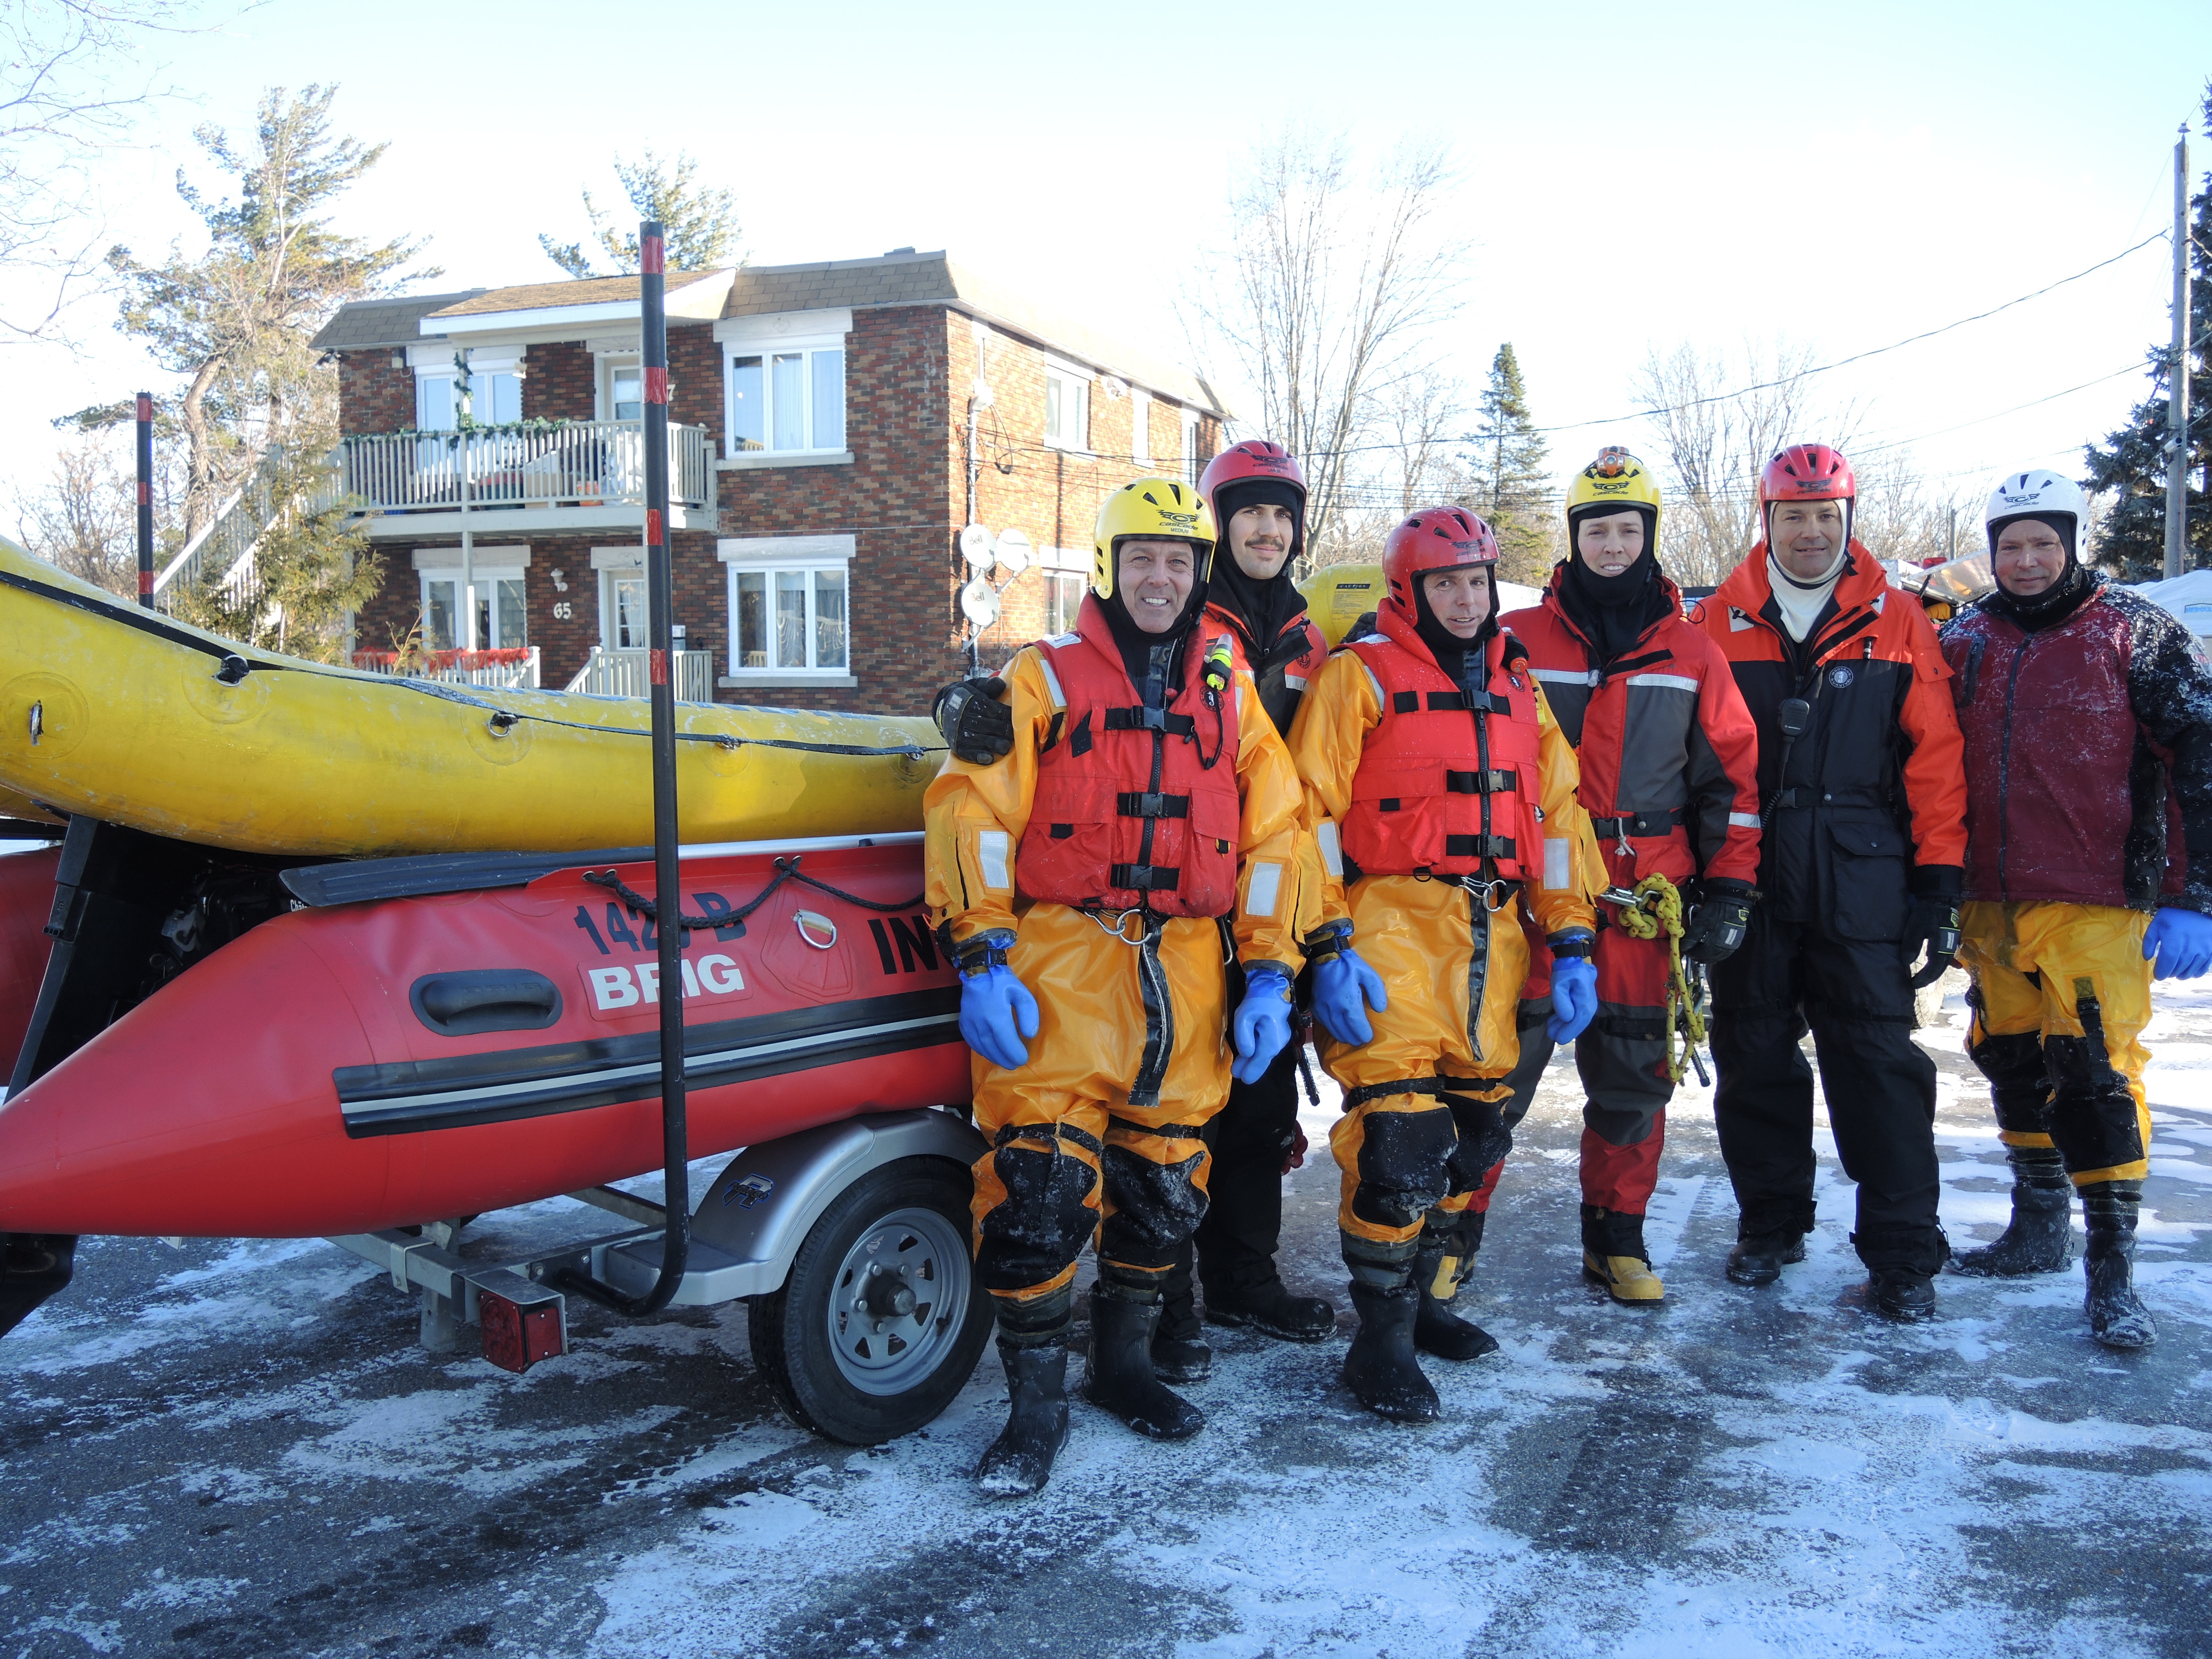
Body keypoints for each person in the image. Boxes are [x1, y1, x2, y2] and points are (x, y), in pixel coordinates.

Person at [924, 478, 1308, 1498]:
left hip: (1184, 969)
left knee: (1166, 1192)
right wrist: (982, 952)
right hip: (1060, 964)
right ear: (1107, 565)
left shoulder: (1229, 689)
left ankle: (1125, 1366)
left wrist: (1271, 969)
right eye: (1142, 557)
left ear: (1199, 573)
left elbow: (1278, 834)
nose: (1160, 577)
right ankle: (1034, 1411)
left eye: (1179, 561)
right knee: (1037, 1199)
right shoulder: (1040, 679)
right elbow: (974, 813)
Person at [1288, 505, 1599, 1422]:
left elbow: (1559, 818)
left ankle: (1424, 1305)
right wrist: (1326, 946)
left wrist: (1572, 936)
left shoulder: (1517, 687)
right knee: (1399, 1143)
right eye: (1445, 584)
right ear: (1407, 591)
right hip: (1387, 927)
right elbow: (1304, 818)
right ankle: (1377, 1342)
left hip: (1489, 939)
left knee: (1472, 1138)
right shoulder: (1359, 679)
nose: (1465, 601)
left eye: (1476, 582)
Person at [1692, 442, 1969, 1322]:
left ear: (1848, 520)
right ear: (1764, 521)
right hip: (1751, 876)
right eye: (1793, 515)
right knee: (1755, 1059)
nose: (1810, 532)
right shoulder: (1717, 624)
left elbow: (1935, 762)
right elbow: (1687, 760)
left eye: (1825, 516)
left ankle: (1901, 1254)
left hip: (1863, 880)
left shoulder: (1898, 620)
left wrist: (1939, 884)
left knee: (1879, 1067)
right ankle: (1770, 1226)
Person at [1940, 468, 2212, 1349]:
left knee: (2095, 1075)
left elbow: (2201, 760)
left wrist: (2196, 897)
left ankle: (2114, 1271)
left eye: (2042, 543)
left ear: (2073, 543)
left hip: (2100, 898)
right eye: (2010, 546)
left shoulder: (2138, 633)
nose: (2025, 560)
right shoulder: (1964, 639)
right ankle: (2036, 1227)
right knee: (2012, 1060)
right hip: (1989, 894)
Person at [1491, 448, 1764, 1303]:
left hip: (1648, 896)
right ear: (1574, 539)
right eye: (1597, 529)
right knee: (1494, 1071)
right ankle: (1452, 1233)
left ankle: (1616, 1241)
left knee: (1635, 1076)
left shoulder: (1691, 650)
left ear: (1649, 536)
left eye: (1627, 530)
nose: (1613, 544)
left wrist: (1729, 888)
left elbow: (1732, 782)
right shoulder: (1517, 642)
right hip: (1539, 888)